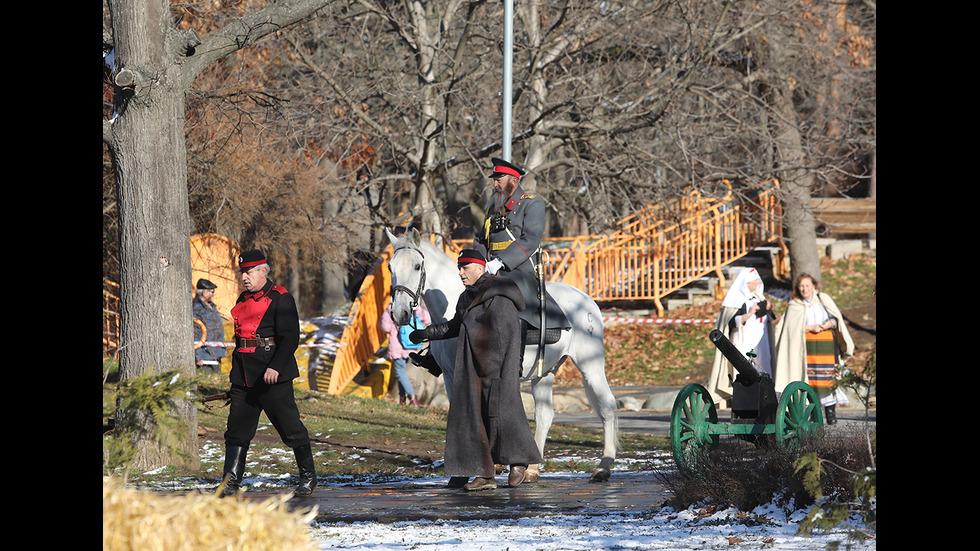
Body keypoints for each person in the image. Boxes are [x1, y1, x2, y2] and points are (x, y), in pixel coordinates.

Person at [409, 249, 542, 491]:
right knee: (473, 418)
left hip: (498, 367)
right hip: (474, 367)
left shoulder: (500, 295)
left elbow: (506, 335)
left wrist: (498, 369)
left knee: (504, 413)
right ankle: (484, 475)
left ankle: (519, 462)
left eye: (465, 267)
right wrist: (427, 333)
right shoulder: (465, 298)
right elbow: (456, 326)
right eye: (459, 268)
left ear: (480, 268)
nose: (460, 273)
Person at [219, 249, 317, 497]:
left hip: (272, 376)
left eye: (249, 272)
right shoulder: (242, 300)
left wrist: (276, 366)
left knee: (291, 428)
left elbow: (290, 338)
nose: (244, 277)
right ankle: (229, 482)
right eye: (242, 272)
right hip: (243, 377)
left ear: (263, 271)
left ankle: (308, 476)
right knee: (236, 432)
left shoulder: (281, 298)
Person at [472, 158, 567, 330]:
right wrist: (481, 263)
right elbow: (480, 240)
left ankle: (518, 355)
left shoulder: (531, 203)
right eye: (494, 180)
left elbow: (531, 238)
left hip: (519, 270)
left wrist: (500, 261)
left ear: (513, 181)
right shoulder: (493, 209)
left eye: (498, 180)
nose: (494, 185)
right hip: (490, 269)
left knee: (512, 307)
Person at [773, 273, 855, 425]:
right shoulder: (794, 304)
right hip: (806, 347)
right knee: (809, 379)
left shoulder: (823, 300)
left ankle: (830, 413)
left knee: (827, 379)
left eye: (807, 286)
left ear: (814, 286)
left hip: (825, 344)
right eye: (801, 286)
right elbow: (789, 328)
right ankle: (811, 413)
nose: (804, 289)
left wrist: (827, 325)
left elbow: (836, 319)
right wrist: (810, 327)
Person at [705, 268, 776, 407]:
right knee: (744, 369)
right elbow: (731, 322)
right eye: (754, 280)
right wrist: (749, 313)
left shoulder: (759, 298)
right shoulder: (736, 300)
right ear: (746, 283)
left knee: (763, 367)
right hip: (743, 340)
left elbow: (769, 320)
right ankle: (743, 402)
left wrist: (768, 308)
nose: (757, 282)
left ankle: (765, 400)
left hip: (761, 342)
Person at [380, 301, 431, 407]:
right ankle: (402, 400)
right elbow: (427, 319)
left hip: (398, 345)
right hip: (411, 345)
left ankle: (412, 399)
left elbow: (384, 326)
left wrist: (394, 329)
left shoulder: (392, 308)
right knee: (401, 372)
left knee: (399, 372)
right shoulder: (414, 308)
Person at [193, 278, 227, 374]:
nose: (214, 294)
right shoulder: (195, 309)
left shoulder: (212, 307)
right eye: (212, 292)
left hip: (216, 355)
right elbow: (195, 334)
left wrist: (221, 350)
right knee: (205, 387)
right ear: (204, 292)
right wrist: (198, 357)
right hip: (204, 357)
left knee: (216, 386)